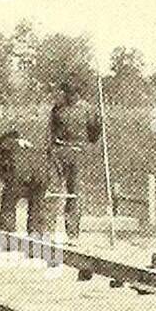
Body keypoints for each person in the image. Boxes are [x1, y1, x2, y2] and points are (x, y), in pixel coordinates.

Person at [47, 79, 101, 242]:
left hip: (77, 152)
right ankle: (49, 231)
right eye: (67, 92)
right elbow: (51, 129)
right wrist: (51, 148)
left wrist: (86, 142)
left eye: (72, 93)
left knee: (75, 193)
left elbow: (95, 133)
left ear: (78, 93)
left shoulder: (88, 110)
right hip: (58, 152)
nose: (69, 96)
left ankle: (73, 234)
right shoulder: (58, 108)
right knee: (53, 190)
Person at [0, 130, 53, 239]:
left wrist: (9, 182)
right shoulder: (28, 146)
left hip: (22, 179)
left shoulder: (5, 149)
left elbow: (8, 172)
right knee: (36, 205)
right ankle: (36, 232)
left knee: (8, 199)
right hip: (41, 178)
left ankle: (7, 230)